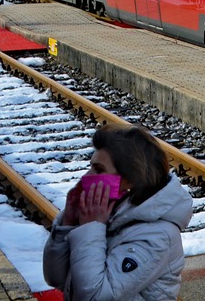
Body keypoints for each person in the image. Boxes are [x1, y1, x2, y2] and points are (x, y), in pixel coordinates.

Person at [43, 124, 192, 301]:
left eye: (99, 169)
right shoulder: (109, 212)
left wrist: (91, 228)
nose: (87, 177)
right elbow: (56, 278)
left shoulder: (157, 236)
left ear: (130, 180)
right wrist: (67, 223)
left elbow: (95, 297)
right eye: (90, 167)